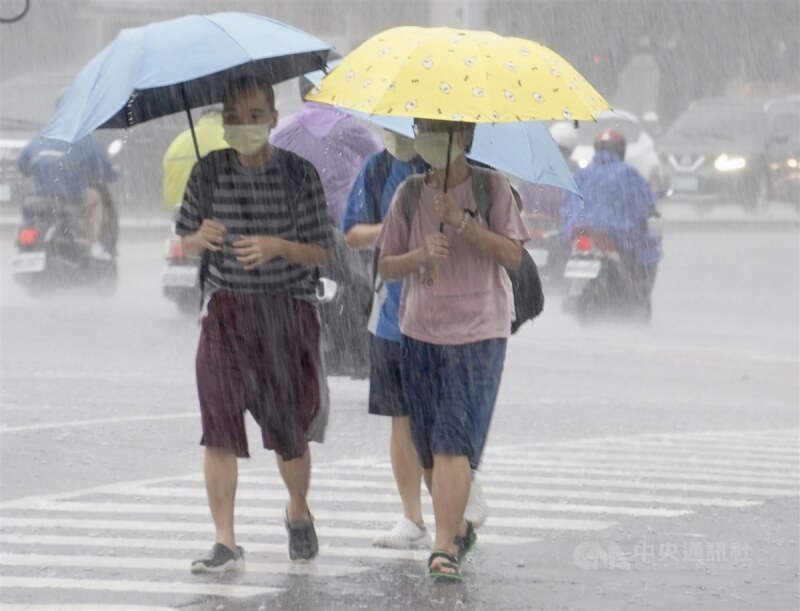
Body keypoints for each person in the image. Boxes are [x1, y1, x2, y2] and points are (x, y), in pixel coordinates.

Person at [175, 75, 334, 573]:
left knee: (289, 432)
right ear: (223, 123)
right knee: (219, 428)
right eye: (234, 117)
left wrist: (276, 246)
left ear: (272, 119)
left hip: (286, 311)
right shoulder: (208, 171)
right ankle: (225, 541)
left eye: (253, 115)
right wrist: (200, 236)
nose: (244, 125)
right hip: (225, 311)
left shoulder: (298, 174)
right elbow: (184, 241)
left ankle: (298, 510)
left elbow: (322, 250)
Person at [377, 119, 530, 581]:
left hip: (478, 333)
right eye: (423, 127)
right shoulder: (407, 193)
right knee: (427, 447)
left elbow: (512, 255)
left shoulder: (492, 187)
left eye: (440, 130)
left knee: (452, 440)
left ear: (463, 137)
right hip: (421, 331)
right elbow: (385, 264)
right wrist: (422, 254)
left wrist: (464, 221)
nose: (429, 137)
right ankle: (457, 525)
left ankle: (443, 546)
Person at [560, 128, 661, 303]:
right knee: (649, 251)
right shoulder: (629, 174)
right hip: (619, 236)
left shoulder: (582, 175)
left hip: (580, 232)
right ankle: (639, 296)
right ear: (621, 150)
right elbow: (646, 201)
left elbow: (567, 204)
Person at [271, 75, 382, 228]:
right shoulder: (351, 127)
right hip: (348, 218)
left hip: (306, 219)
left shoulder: (282, 131)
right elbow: (381, 158)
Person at [17, 133, 116, 260]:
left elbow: (22, 165)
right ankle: (93, 245)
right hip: (68, 197)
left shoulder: (42, 137)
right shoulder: (85, 139)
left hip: (37, 199)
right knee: (96, 198)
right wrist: (112, 173)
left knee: (28, 217)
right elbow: (105, 167)